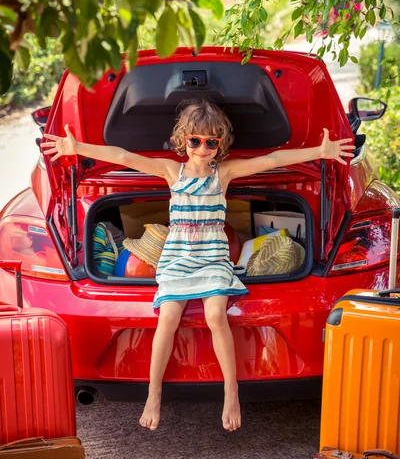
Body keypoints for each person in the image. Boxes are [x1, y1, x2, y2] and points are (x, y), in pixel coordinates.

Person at [41, 99, 354, 432]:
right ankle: (153, 393)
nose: (202, 148)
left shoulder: (225, 172)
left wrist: (320, 151)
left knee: (216, 315)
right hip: (178, 257)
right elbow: (123, 156)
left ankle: (230, 392)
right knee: (168, 318)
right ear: (183, 139)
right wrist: (75, 147)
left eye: (211, 142)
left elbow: (273, 159)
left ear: (220, 144)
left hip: (213, 257)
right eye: (195, 141)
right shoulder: (170, 171)